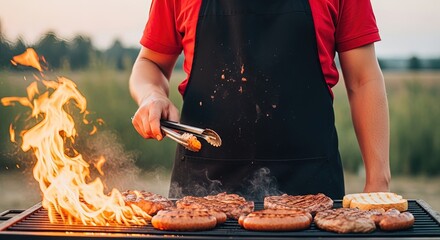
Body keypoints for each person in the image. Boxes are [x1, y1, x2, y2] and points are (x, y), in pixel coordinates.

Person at [129, 0, 391, 201]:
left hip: (312, 192)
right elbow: (150, 62)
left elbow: (363, 79)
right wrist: (151, 94)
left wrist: (378, 182)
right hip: (201, 193)